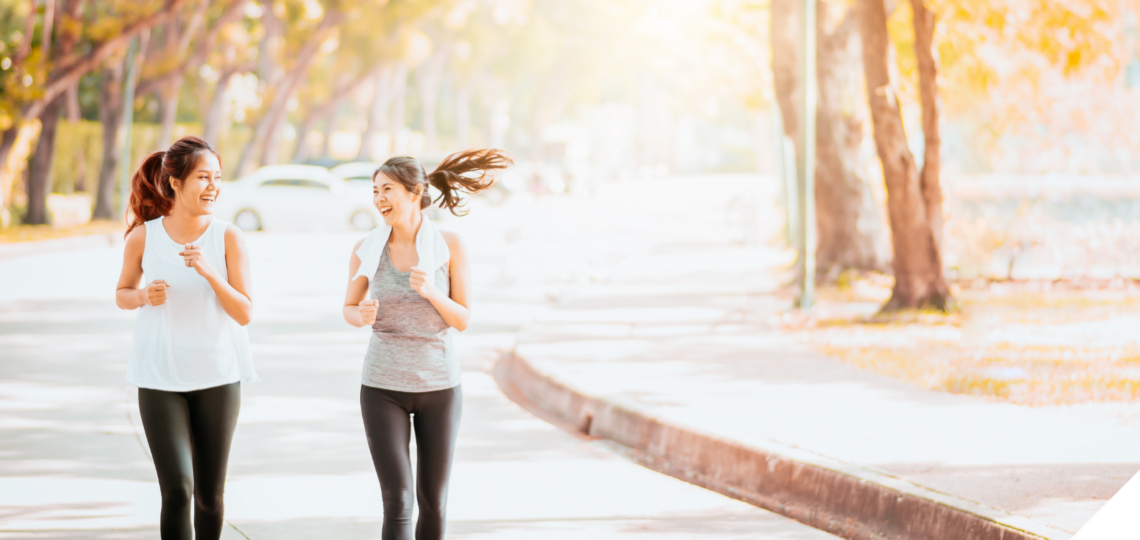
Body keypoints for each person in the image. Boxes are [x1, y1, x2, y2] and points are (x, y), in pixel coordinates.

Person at [343, 149, 513, 540]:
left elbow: (463, 319)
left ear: (414, 192)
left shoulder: (449, 245)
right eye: (375, 191)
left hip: (439, 387)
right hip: (383, 387)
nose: (379, 198)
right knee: (398, 500)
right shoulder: (366, 248)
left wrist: (433, 292)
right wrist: (361, 314)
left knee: (433, 502)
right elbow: (348, 308)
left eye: (387, 189)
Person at [114, 136, 257, 540]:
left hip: (217, 378)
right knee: (178, 489)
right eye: (203, 177)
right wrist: (143, 296)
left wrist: (210, 272)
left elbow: (245, 312)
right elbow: (122, 294)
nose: (213, 186)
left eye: (217, 177)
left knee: (209, 497)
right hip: (160, 378)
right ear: (175, 182)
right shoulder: (144, 237)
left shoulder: (228, 237)